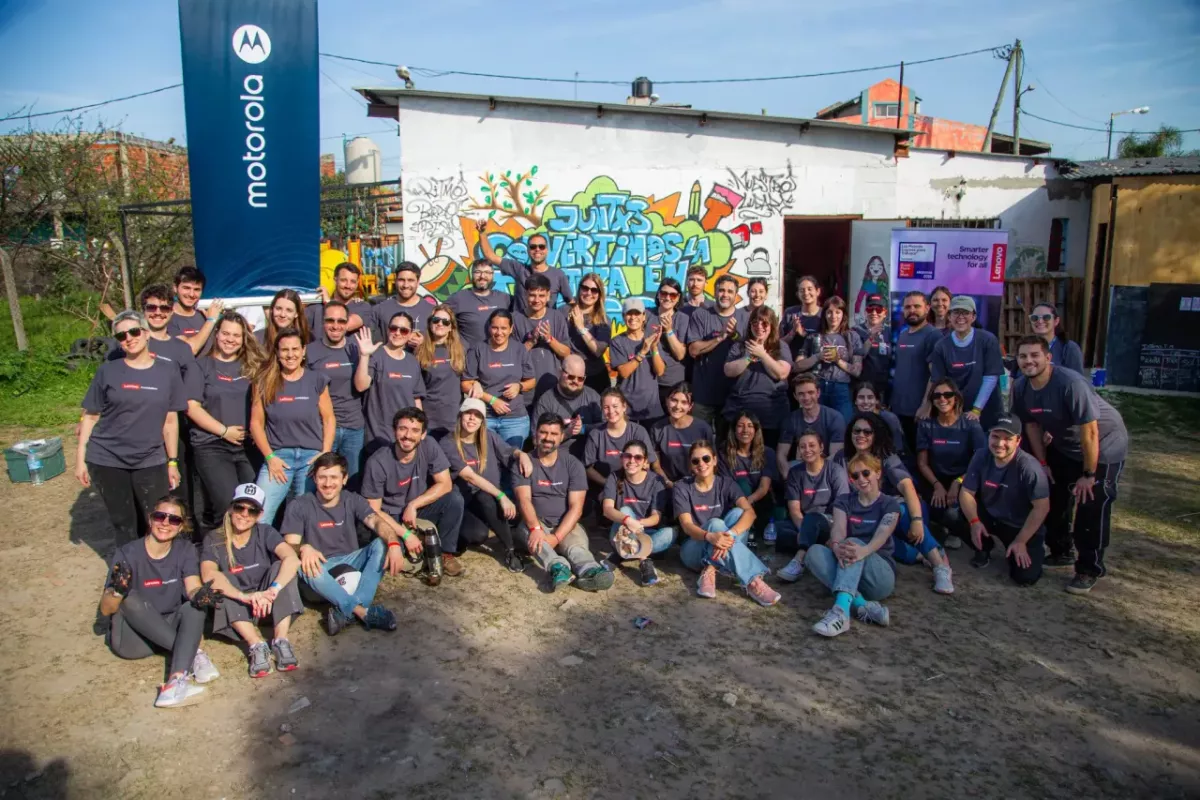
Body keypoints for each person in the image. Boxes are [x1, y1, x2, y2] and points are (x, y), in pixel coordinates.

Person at [1010, 336, 1128, 594]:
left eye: (1034, 355)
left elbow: (1091, 433)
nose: (1028, 361)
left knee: (1091, 503)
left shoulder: (1070, 384)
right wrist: (1043, 463)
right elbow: (1030, 425)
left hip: (1104, 445)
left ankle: (1088, 568)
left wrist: (1089, 473)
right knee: (1053, 494)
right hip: (1064, 444)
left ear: (1048, 358)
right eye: (1023, 356)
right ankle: (1061, 550)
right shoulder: (1020, 388)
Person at [100, 496, 219, 708]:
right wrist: (117, 592)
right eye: (160, 516)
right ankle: (192, 653)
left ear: (181, 526)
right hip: (135, 640)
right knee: (129, 598)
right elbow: (106, 610)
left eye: (173, 520)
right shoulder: (127, 553)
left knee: (195, 606)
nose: (165, 523)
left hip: (168, 626)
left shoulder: (185, 549)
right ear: (150, 519)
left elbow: (192, 587)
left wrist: (201, 595)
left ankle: (175, 682)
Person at [79, 311, 186, 544]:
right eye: (121, 335)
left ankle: (158, 569)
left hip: (150, 458)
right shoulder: (108, 371)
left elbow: (170, 421)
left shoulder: (168, 371)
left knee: (157, 519)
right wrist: (80, 461)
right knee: (123, 522)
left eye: (134, 331)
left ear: (147, 334)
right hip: (108, 458)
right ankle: (126, 571)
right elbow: (90, 417)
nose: (129, 338)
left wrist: (173, 461)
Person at [281, 452, 410, 635]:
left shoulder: (352, 499)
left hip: (350, 565)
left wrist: (394, 544)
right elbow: (289, 545)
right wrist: (303, 547)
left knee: (382, 544)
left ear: (344, 479)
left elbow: (377, 521)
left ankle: (346, 611)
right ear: (314, 479)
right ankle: (361, 611)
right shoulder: (299, 505)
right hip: (320, 573)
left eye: (334, 477)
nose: (328, 483)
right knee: (300, 562)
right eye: (322, 477)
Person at [838, 412, 955, 594]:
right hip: (862, 512)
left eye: (867, 432)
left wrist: (917, 520)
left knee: (903, 513)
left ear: (876, 434)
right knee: (881, 542)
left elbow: (908, 488)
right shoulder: (843, 457)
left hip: (895, 507)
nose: (861, 435)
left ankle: (939, 565)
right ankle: (918, 553)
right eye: (857, 431)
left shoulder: (886, 457)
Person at [199, 483, 303, 677]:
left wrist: (273, 590)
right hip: (238, 609)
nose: (245, 514)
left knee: (280, 567)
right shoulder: (214, 538)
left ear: (260, 514)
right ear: (231, 508)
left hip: (268, 603)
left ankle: (281, 641)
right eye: (240, 507)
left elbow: (292, 558)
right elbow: (208, 574)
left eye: (252, 510)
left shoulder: (265, 531)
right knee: (221, 581)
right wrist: (244, 596)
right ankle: (256, 644)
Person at [361, 407, 467, 581]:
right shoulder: (377, 462)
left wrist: (414, 504)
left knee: (454, 498)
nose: (408, 436)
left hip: (417, 509)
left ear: (423, 434)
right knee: (392, 556)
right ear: (394, 431)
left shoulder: (430, 445)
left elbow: (445, 483)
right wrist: (405, 535)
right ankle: (421, 545)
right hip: (390, 516)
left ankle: (445, 554)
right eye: (403, 429)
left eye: (415, 430)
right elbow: (373, 510)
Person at [513, 414, 613, 592]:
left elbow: (576, 507)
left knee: (576, 548)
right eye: (543, 432)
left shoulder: (573, 464)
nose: (548, 438)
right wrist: (536, 529)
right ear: (536, 434)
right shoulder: (525, 462)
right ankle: (558, 568)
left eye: (553, 433)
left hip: (566, 523)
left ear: (561, 436)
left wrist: (557, 536)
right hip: (536, 523)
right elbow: (524, 499)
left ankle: (591, 571)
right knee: (535, 539)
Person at [805, 452, 900, 637]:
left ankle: (841, 613)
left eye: (866, 473)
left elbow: (882, 534)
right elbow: (839, 528)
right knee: (814, 552)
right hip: (849, 564)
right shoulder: (844, 500)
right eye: (855, 476)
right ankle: (861, 605)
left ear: (878, 473)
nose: (861, 479)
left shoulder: (889, 504)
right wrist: (836, 546)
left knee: (854, 543)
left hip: (879, 574)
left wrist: (863, 551)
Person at [673, 440, 779, 606]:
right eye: (696, 461)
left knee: (739, 513)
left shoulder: (726, 483)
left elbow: (750, 513)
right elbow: (687, 526)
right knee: (715, 524)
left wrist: (729, 534)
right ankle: (753, 581)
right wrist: (710, 536)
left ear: (715, 460)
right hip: (693, 548)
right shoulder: (682, 487)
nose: (702, 464)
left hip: (722, 544)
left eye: (706, 459)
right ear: (691, 465)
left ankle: (710, 569)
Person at [249, 328, 336, 525]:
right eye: (285, 350)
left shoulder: (317, 379)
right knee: (259, 515)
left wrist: (325, 453)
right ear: (277, 353)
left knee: (307, 518)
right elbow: (256, 423)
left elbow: (329, 418)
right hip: (278, 459)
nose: (290, 355)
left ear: (303, 351)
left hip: (310, 459)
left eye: (295, 349)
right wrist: (270, 457)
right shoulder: (263, 380)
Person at [441, 398, 533, 574]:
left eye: (477, 415)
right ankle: (449, 540)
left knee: (486, 497)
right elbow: (470, 477)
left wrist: (522, 454)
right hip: (459, 503)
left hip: (482, 498)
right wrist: (502, 496)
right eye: (468, 413)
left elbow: (508, 451)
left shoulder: (488, 436)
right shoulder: (448, 442)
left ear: (482, 420)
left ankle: (510, 550)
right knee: (478, 535)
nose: (472, 419)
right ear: (460, 415)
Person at [188, 311, 264, 523]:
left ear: (244, 339)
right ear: (217, 334)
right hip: (212, 445)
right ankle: (221, 550)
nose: (230, 339)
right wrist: (224, 431)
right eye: (226, 333)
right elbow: (192, 407)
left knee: (253, 502)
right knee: (227, 504)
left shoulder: (253, 366)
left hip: (248, 446)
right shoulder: (201, 366)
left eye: (236, 335)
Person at [958, 415, 1051, 586]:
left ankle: (1030, 547)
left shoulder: (1029, 467)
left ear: (1018, 441)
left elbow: (1042, 508)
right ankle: (984, 547)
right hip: (991, 516)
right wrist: (974, 522)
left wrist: (1021, 540)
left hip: (1019, 525)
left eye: (1007, 439)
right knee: (952, 514)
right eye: (995, 436)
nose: (1000, 444)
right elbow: (966, 492)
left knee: (1025, 577)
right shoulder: (981, 455)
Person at [915, 379, 986, 550]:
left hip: (965, 479)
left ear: (956, 398)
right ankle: (941, 526)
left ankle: (964, 532)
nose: (942, 399)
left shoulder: (970, 424)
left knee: (956, 513)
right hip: (935, 479)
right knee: (933, 509)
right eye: (937, 395)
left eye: (947, 394)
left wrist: (959, 482)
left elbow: (981, 462)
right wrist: (937, 485)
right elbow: (922, 463)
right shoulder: (926, 424)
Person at [775, 429, 850, 581]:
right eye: (803, 447)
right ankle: (816, 544)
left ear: (821, 447)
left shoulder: (835, 470)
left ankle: (798, 561)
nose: (807, 450)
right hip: (804, 522)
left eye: (812, 445)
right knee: (780, 532)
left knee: (813, 520)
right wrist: (804, 531)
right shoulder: (795, 473)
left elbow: (842, 506)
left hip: (830, 521)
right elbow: (795, 510)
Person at [306, 301, 365, 483]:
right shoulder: (309, 351)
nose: (336, 326)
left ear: (348, 323)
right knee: (317, 481)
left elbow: (362, 385)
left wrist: (365, 355)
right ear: (323, 322)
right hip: (321, 428)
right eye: (330, 320)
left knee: (351, 482)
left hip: (353, 428)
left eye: (341, 321)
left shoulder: (357, 348)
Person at [601, 440, 673, 587]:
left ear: (645, 461)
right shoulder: (614, 477)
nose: (632, 461)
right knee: (625, 510)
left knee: (670, 533)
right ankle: (644, 561)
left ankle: (621, 555)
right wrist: (628, 520)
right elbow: (607, 509)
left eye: (638, 457)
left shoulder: (656, 480)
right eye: (628, 456)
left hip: (644, 530)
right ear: (622, 458)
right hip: (621, 531)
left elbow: (656, 517)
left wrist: (637, 524)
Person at [354, 312, 427, 456]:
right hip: (378, 435)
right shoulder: (376, 355)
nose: (398, 333)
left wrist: (421, 428)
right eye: (394, 328)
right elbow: (361, 386)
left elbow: (416, 398)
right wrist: (364, 355)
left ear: (410, 334)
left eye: (404, 330)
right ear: (388, 330)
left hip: (406, 437)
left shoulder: (412, 361)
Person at [927, 296, 1004, 430]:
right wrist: (950, 411)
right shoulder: (941, 346)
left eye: (966, 313)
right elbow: (940, 383)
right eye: (956, 312)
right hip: (956, 412)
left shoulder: (988, 340)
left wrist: (976, 410)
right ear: (949, 316)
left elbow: (991, 377)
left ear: (973, 317)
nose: (960, 317)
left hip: (987, 410)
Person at [462, 309, 536, 447]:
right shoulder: (478, 349)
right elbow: (466, 383)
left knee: (512, 461)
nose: (499, 332)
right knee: (486, 461)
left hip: (515, 420)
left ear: (511, 329)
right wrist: (492, 400)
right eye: (495, 327)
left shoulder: (519, 349)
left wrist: (519, 386)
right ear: (489, 327)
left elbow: (531, 381)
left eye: (503, 328)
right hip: (485, 417)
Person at [723, 305, 792, 447]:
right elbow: (728, 370)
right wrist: (748, 358)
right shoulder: (740, 346)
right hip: (740, 411)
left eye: (764, 323)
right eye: (755, 323)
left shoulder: (781, 346)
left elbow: (782, 373)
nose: (759, 327)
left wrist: (762, 354)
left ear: (772, 325)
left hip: (772, 414)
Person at [686, 275, 748, 430]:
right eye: (721, 290)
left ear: (736, 295)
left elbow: (748, 347)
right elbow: (693, 350)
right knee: (700, 443)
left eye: (730, 291)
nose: (725, 294)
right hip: (703, 394)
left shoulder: (745, 317)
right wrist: (721, 336)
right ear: (714, 292)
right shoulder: (701, 315)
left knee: (728, 445)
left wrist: (734, 335)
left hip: (733, 395)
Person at [476, 222, 573, 313]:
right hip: (520, 327)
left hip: (545, 328)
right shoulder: (519, 269)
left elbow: (571, 302)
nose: (537, 250)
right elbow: (491, 256)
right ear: (528, 250)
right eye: (533, 247)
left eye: (541, 246)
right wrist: (482, 233)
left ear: (547, 250)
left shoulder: (558, 275)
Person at [795, 296, 862, 422]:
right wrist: (817, 357)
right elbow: (797, 366)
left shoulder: (852, 336)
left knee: (844, 425)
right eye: (829, 312)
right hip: (817, 387)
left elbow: (857, 371)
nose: (833, 316)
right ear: (824, 314)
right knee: (817, 426)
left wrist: (837, 360)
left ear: (843, 314)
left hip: (841, 387)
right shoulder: (814, 337)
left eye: (838, 312)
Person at [893, 291, 943, 454]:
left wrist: (926, 405)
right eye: (908, 307)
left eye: (917, 306)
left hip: (919, 413)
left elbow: (936, 375)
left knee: (920, 461)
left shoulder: (933, 335)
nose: (912, 310)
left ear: (927, 308)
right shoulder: (902, 335)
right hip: (899, 410)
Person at [719, 412, 778, 544]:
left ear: (756, 429)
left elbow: (764, 487)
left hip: (760, 501)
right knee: (742, 484)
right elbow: (728, 486)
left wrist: (748, 501)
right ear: (734, 430)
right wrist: (742, 504)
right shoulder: (724, 453)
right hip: (734, 503)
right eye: (740, 426)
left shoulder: (767, 452)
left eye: (750, 426)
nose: (745, 430)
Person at [584, 388, 659, 490]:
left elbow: (647, 463)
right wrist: (608, 484)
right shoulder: (596, 434)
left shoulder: (638, 431)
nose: (611, 411)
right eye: (606, 407)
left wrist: (631, 484)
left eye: (615, 406)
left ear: (624, 407)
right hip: (605, 488)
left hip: (635, 487)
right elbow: (588, 468)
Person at [513, 273, 572, 402]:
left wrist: (549, 339)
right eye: (532, 295)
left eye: (541, 296)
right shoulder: (515, 319)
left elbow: (566, 353)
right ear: (526, 295)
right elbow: (512, 357)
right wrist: (531, 341)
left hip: (552, 390)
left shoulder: (557, 317)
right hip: (525, 392)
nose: (536, 300)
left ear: (548, 296)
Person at [533, 354, 603, 459]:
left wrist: (583, 429)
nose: (575, 381)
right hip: (558, 459)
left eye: (580, 378)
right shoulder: (546, 400)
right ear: (560, 372)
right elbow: (536, 440)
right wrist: (566, 433)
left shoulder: (592, 396)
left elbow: (607, 427)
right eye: (571, 376)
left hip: (588, 458)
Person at [609, 297, 665, 422]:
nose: (633, 317)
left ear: (644, 316)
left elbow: (660, 371)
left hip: (652, 409)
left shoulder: (651, 338)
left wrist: (654, 347)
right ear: (623, 317)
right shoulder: (617, 342)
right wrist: (643, 352)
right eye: (629, 313)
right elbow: (624, 372)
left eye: (637, 313)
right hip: (627, 410)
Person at [777, 374, 846, 475]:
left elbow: (835, 455)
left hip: (827, 469)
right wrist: (788, 478)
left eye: (810, 392)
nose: (806, 398)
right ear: (795, 396)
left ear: (818, 393)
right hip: (801, 465)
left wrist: (817, 477)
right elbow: (781, 454)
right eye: (801, 394)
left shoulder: (835, 418)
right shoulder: (790, 419)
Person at [416, 303, 467, 440]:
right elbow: (415, 390)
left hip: (453, 418)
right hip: (429, 418)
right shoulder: (419, 351)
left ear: (451, 327)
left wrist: (477, 385)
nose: (440, 324)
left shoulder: (461, 350)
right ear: (430, 323)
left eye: (445, 322)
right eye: (436, 320)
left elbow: (470, 379)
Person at [650, 382, 713, 488]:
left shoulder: (703, 428)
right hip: (666, 484)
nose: (678, 406)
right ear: (667, 401)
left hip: (696, 485)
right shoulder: (657, 428)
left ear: (690, 406)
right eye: (674, 400)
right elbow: (656, 465)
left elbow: (710, 463)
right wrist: (668, 483)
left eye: (684, 402)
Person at [445, 259, 514, 349]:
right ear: (472, 274)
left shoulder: (504, 298)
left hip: (498, 357)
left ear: (492, 275)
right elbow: (438, 317)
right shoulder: (458, 298)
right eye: (478, 272)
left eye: (487, 272)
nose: (482, 276)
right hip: (469, 358)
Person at [369, 262, 437, 347]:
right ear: (395, 280)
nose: (406, 285)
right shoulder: (379, 310)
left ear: (418, 282)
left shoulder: (432, 311)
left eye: (410, 280)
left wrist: (425, 343)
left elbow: (442, 342)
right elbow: (374, 345)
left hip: (422, 360)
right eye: (401, 280)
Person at [648, 278, 691, 412]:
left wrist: (669, 330)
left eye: (672, 295)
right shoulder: (647, 314)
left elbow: (680, 354)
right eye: (663, 293)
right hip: (649, 380)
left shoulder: (683, 318)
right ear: (658, 295)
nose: (667, 298)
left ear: (678, 298)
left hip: (672, 382)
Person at [566, 272, 612, 395]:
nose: (588, 293)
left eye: (594, 290)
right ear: (579, 288)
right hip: (569, 377)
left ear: (599, 294)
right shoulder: (563, 312)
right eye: (585, 288)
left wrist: (580, 327)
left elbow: (598, 351)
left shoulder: (603, 320)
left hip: (594, 377)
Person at [167, 266, 224, 354]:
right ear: (175, 288)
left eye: (197, 289)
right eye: (186, 288)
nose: (191, 294)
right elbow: (189, 350)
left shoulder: (205, 315)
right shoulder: (167, 318)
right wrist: (211, 321)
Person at [304, 262, 371, 336]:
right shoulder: (316, 308)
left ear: (357, 283)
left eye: (353, 282)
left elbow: (346, 325)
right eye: (343, 280)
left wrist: (328, 302)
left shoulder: (362, 307)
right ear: (335, 280)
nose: (348, 286)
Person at [853, 382, 906, 461]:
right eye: (861, 397)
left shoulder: (889, 418)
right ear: (855, 401)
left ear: (877, 400)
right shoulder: (855, 420)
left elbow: (897, 450)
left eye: (870, 397)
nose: (866, 401)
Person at [854, 293, 892, 403]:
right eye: (870, 309)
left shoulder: (891, 332)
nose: (874, 313)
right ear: (865, 312)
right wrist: (870, 337)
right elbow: (858, 355)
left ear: (885, 313)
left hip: (884, 388)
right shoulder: (856, 331)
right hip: (863, 388)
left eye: (879, 309)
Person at [1028, 303, 1085, 373]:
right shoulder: (1025, 348)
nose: (1040, 321)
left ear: (1056, 321)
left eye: (1046, 317)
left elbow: (1077, 380)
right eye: (1035, 318)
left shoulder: (1069, 348)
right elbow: (1015, 377)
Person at [782, 274, 823, 350]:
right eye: (802, 290)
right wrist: (793, 331)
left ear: (818, 291)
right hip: (792, 359)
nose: (806, 293)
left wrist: (803, 334)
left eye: (809, 289)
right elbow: (779, 344)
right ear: (798, 294)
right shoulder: (790, 313)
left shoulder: (825, 314)